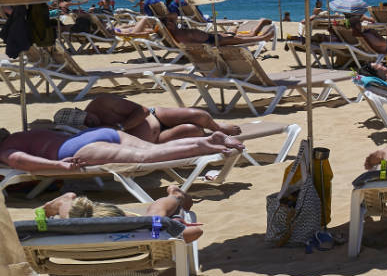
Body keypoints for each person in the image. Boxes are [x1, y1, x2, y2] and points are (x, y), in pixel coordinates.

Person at [0, 124, 242, 172]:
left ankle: (202, 145)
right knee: (152, 148)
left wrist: (58, 165)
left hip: (73, 151)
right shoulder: (23, 133)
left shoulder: (6, 149)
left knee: (146, 157)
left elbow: (19, 161)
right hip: (99, 132)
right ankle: (208, 139)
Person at [33, 185, 204, 243]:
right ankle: (175, 196)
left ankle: (64, 201)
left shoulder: (70, 230)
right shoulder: (150, 232)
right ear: (122, 217)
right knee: (156, 213)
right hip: (133, 247)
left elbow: (40, 229)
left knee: (71, 214)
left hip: (79, 243)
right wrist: (174, 223)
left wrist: (41, 221)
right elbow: (196, 232)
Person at [82, 93, 242, 143]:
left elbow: (142, 111)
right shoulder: (86, 133)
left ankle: (218, 128)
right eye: (84, 124)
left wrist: (122, 127)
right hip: (154, 141)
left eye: (86, 118)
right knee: (193, 130)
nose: (89, 123)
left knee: (199, 115)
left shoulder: (103, 102)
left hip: (155, 116)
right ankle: (213, 135)